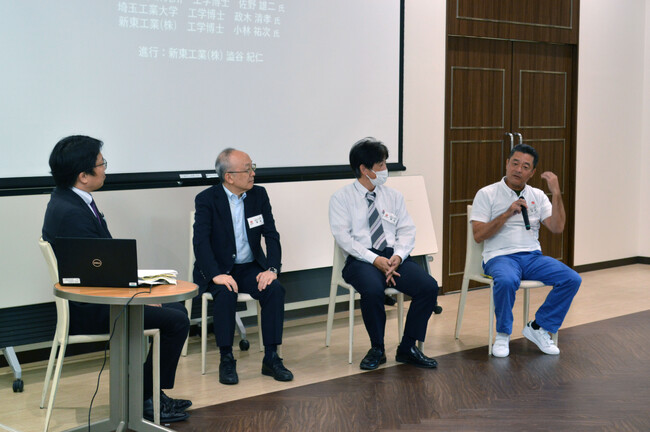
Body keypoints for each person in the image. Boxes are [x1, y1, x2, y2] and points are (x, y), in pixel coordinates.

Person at [42, 135, 192, 423]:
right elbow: (99, 274)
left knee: (176, 310)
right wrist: (141, 297)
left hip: (95, 299)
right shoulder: (72, 213)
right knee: (177, 320)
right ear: (83, 175)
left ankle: (149, 393)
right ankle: (145, 398)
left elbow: (103, 261)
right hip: (93, 309)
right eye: (102, 164)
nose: (105, 170)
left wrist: (143, 291)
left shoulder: (69, 200)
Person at [329, 137, 439, 370]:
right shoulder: (341, 198)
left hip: (393, 257)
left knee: (428, 286)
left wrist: (398, 257)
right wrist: (375, 260)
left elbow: (407, 230)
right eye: (380, 165)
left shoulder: (393, 196)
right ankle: (377, 348)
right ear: (364, 169)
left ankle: (408, 347)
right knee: (372, 289)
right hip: (361, 259)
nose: (385, 169)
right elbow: (344, 239)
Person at [192, 148, 293, 385]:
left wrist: (272, 269)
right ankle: (226, 358)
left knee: (274, 289)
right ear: (229, 176)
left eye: (252, 168)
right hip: (218, 269)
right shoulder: (206, 199)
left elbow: (271, 235)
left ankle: (271, 357)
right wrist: (215, 274)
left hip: (249, 267)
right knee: (226, 292)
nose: (252, 174)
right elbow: (200, 242)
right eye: (247, 169)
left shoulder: (259, 195)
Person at [470, 143, 581, 358]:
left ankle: (539, 327)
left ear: (532, 172)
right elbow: (478, 235)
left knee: (571, 279)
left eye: (525, 166)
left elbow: (557, 227)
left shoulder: (537, 195)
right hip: (500, 257)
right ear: (507, 164)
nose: (518, 170)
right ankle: (503, 334)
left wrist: (556, 193)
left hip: (532, 257)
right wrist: (506, 214)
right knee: (506, 280)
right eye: (515, 163)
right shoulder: (487, 193)